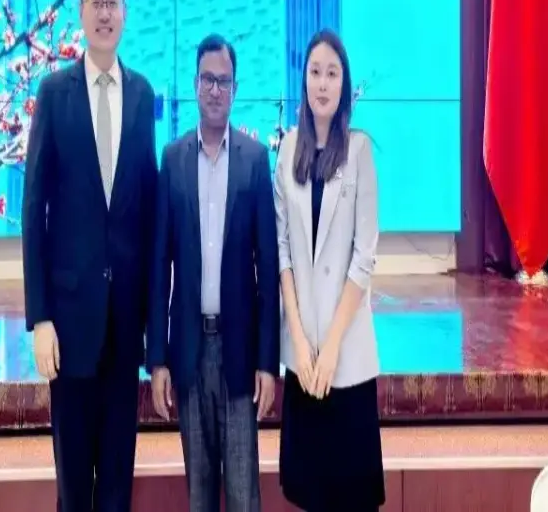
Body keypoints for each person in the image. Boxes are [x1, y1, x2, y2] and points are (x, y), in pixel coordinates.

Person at [21, 0, 160, 512]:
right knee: (74, 490)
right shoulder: (54, 93)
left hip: (124, 327)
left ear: (125, 13)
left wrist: (154, 324)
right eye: (95, 1)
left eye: (114, 1)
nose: (105, 12)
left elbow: (146, 212)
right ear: (80, 12)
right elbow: (34, 209)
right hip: (71, 327)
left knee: (117, 491)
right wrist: (40, 318)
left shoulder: (144, 95)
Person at [147, 35, 280, 512]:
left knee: (244, 495)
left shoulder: (254, 160)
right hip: (189, 350)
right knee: (199, 494)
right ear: (196, 84)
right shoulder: (173, 160)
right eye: (208, 79)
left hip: (240, 353)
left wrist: (269, 362)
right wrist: (157, 359)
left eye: (224, 81)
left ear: (235, 88)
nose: (216, 89)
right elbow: (159, 267)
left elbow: (268, 273)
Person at [272, 29, 383, 512]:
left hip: (347, 354)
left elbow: (365, 256)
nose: (323, 83)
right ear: (304, 82)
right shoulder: (287, 148)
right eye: (315, 72)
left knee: (350, 496)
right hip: (304, 355)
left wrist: (333, 343)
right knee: (309, 494)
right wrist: (299, 339)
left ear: (344, 85)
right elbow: (282, 253)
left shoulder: (359, 151)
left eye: (332, 73)